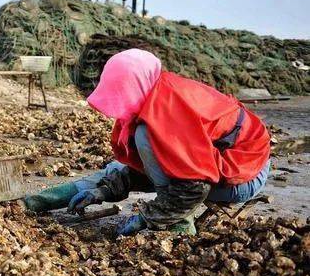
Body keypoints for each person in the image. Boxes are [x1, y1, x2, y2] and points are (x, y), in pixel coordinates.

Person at [24, 49, 271, 236]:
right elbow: (149, 166)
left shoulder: (169, 112)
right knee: (118, 167)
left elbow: (194, 185)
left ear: (133, 86)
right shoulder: (153, 94)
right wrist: (102, 191)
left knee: (144, 137)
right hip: (209, 167)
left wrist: (151, 216)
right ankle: (39, 201)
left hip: (244, 175)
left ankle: (179, 225)